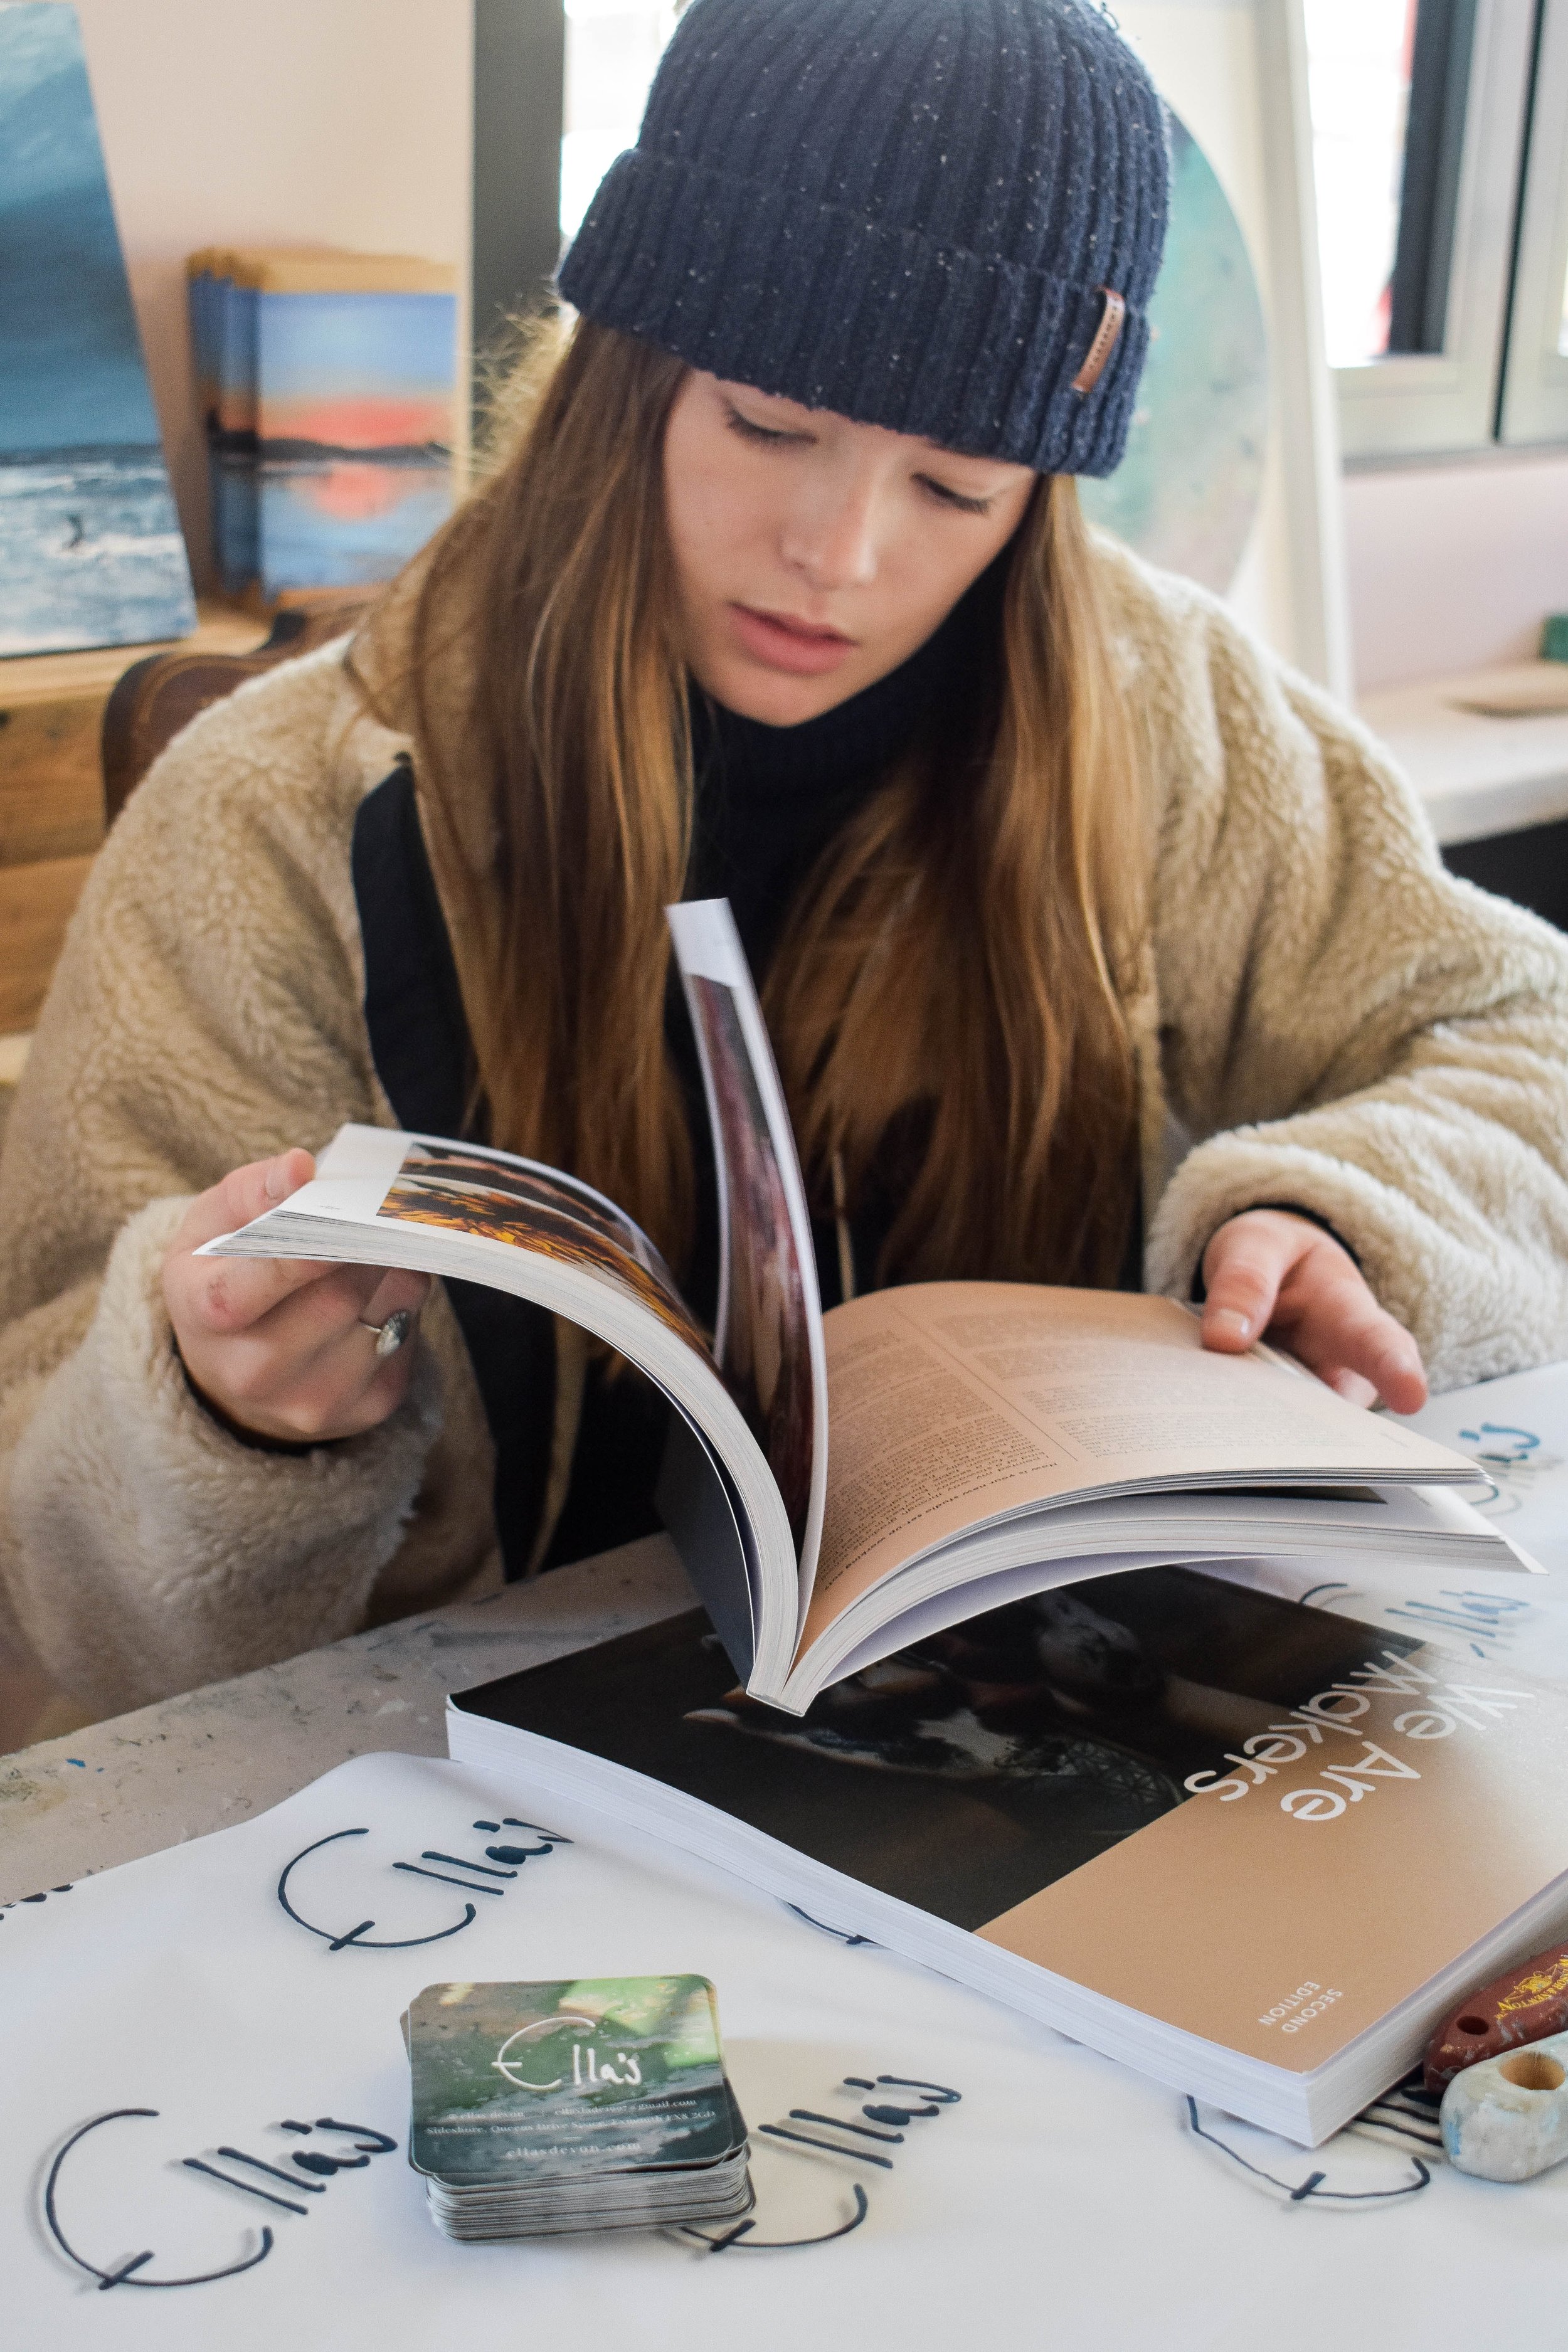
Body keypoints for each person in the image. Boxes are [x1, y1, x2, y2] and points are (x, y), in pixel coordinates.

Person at [3, 0, 1567, 1732]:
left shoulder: (1169, 713)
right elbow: (46, 1541)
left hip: (1049, 1720)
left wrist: (1330, 1214)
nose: (839, 555)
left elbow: (1522, 1041)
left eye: (957, 485)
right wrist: (208, 1406)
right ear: (632, 374)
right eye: (764, 424)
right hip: (451, 1789)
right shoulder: (276, 813)